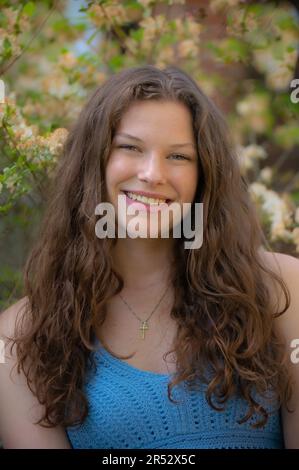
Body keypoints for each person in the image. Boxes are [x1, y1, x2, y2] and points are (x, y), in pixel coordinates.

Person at [0, 65, 298, 449]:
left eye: (178, 156)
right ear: (93, 162)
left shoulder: (281, 289)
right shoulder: (18, 338)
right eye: (130, 147)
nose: (153, 173)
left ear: (204, 175)